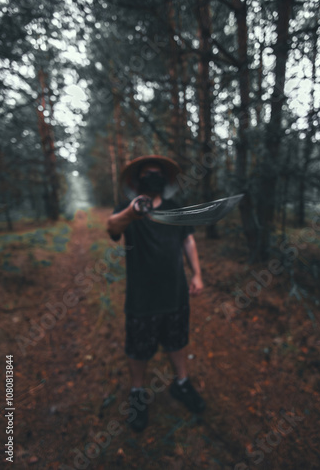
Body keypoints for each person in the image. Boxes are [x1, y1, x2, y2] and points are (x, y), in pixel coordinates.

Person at [106, 155, 205, 432]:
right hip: (141, 296)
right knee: (139, 347)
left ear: (165, 180)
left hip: (175, 292)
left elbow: (188, 240)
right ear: (138, 180)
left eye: (158, 174)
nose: (153, 177)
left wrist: (197, 273)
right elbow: (112, 228)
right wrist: (132, 212)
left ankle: (181, 384)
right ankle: (137, 393)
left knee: (177, 340)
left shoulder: (175, 209)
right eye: (148, 174)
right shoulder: (127, 208)